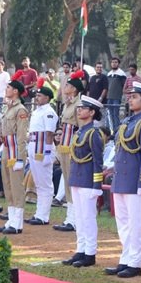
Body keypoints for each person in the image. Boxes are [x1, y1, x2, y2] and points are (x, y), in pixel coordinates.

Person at [104, 82, 141, 278]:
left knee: (137, 224)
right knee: (124, 223)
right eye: (130, 96)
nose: (130, 99)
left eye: (135, 97)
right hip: (122, 179)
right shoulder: (127, 121)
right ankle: (126, 258)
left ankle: (135, 262)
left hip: (136, 180)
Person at [61, 96, 105, 268]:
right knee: (79, 217)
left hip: (88, 180)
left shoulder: (94, 133)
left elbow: (97, 161)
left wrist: (96, 185)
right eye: (79, 108)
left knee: (88, 217)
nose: (79, 110)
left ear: (92, 112)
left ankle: (90, 252)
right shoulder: (79, 132)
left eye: (83, 108)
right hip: (78, 179)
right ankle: (81, 249)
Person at [0, 79, 31, 235]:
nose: (6, 89)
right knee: (8, 186)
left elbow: (22, 136)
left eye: (9, 87)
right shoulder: (9, 108)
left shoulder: (20, 110)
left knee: (17, 188)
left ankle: (17, 223)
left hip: (15, 151)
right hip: (6, 150)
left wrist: (20, 158)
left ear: (16, 91)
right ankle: (11, 219)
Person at [53, 70, 85, 233]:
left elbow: (80, 128)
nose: (65, 87)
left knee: (72, 183)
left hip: (72, 145)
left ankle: (73, 219)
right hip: (64, 145)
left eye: (68, 85)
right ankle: (69, 218)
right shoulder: (67, 103)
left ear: (74, 89)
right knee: (66, 181)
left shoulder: (79, 104)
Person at [25, 83, 59, 226]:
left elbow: (49, 133)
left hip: (42, 147)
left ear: (47, 97)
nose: (37, 98)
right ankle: (39, 213)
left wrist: (46, 153)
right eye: (36, 95)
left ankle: (43, 215)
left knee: (45, 183)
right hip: (34, 145)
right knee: (38, 183)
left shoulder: (49, 112)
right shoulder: (37, 111)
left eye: (40, 96)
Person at [105, 57, 127, 130]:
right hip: (109, 97)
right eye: (112, 62)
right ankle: (110, 129)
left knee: (115, 114)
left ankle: (116, 130)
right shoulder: (109, 74)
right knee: (109, 114)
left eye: (115, 62)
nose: (114, 64)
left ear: (118, 64)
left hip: (116, 97)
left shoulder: (121, 74)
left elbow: (124, 85)